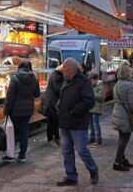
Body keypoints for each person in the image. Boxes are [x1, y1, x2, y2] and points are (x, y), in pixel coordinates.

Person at [56, 58, 98, 186]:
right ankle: (71, 176)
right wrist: (59, 106)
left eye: (66, 68)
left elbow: (90, 101)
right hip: (64, 122)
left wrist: (74, 111)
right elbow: (63, 96)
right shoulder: (65, 80)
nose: (63, 70)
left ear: (73, 69)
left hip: (78, 122)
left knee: (81, 150)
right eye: (63, 68)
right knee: (66, 151)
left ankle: (93, 169)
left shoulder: (84, 81)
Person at [2, 60, 40, 163]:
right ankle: (22, 155)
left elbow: (10, 97)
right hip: (27, 111)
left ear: (19, 67)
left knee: (12, 133)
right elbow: (37, 94)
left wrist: (6, 111)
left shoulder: (15, 78)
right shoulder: (34, 79)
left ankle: (10, 156)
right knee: (24, 132)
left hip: (15, 110)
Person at [112, 64, 133, 171]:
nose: (131, 73)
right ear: (127, 73)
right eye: (129, 71)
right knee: (124, 139)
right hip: (126, 116)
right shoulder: (130, 85)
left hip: (118, 114)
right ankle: (117, 162)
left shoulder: (117, 84)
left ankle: (122, 159)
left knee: (122, 138)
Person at [44, 64, 64, 147]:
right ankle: (51, 139)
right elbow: (58, 88)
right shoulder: (56, 75)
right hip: (51, 102)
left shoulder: (58, 74)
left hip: (54, 101)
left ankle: (56, 137)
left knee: (56, 120)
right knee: (51, 121)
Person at [88, 72, 105, 147]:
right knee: (91, 125)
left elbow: (101, 97)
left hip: (96, 109)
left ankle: (98, 141)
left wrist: (92, 92)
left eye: (91, 81)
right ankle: (92, 139)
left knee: (96, 125)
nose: (90, 83)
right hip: (90, 108)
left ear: (96, 80)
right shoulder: (91, 86)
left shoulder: (100, 86)